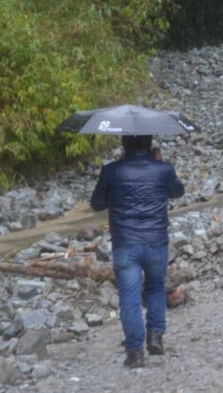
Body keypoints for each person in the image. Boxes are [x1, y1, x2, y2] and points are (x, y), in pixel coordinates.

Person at [90, 134, 185, 368]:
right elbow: (177, 192)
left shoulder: (111, 171)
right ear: (149, 144)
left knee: (129, 296)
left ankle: (134, 353)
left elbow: (97, 204)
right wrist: (160, 162)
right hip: (156, 241)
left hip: (125, 242)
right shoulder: (164, 169)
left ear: (124, 144)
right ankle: (155, 337)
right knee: (155, 287)